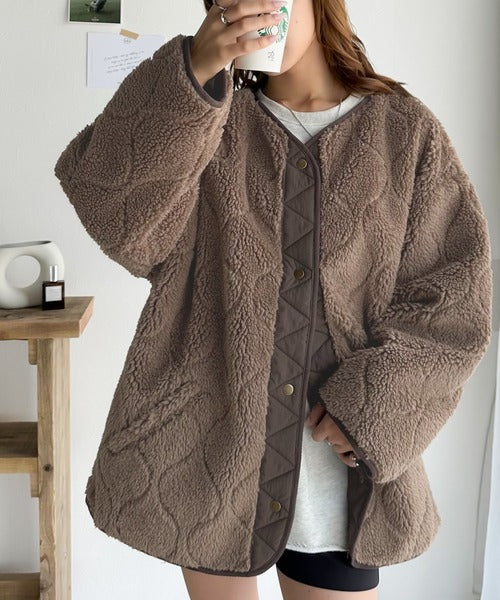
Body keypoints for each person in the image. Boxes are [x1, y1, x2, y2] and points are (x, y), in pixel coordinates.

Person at [53, 0, 493, 598]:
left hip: (338, 473)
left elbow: (453, 300)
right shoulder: (206, 122)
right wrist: (193, 72)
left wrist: (373, 408)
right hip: (210, 459)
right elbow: (120, 217)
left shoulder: (404, 131)